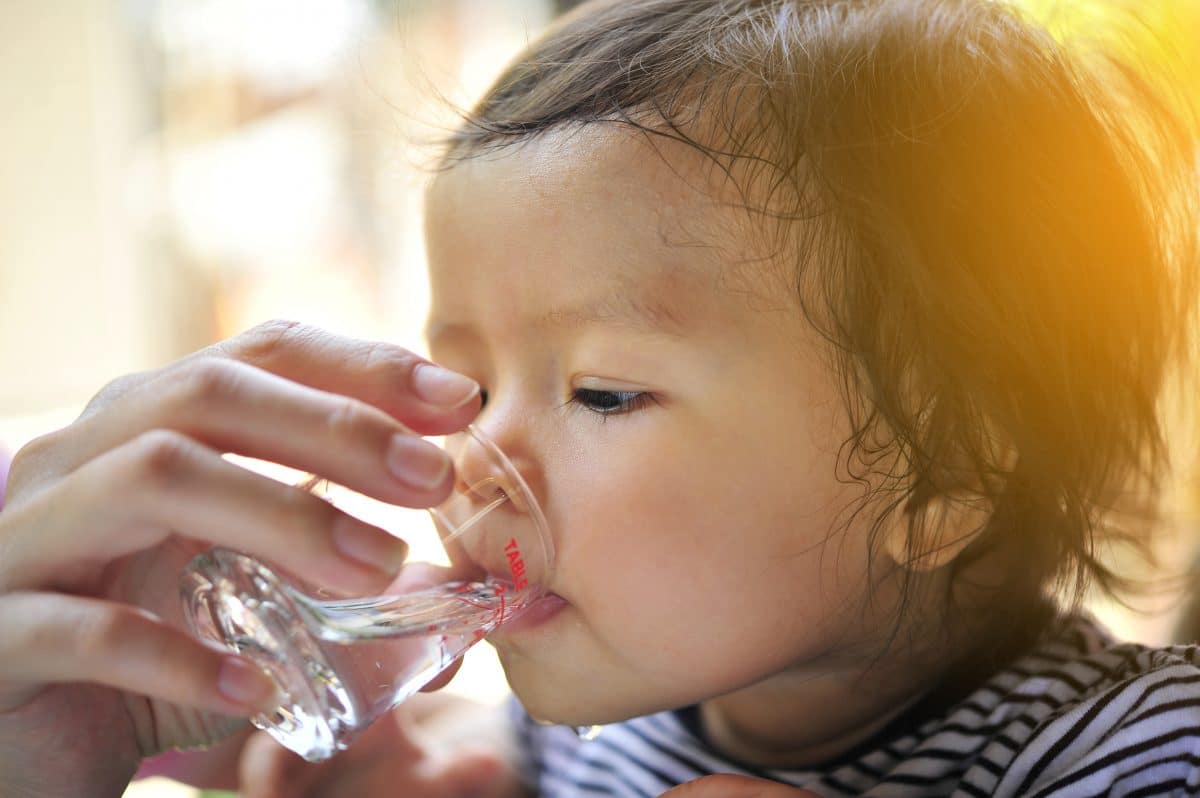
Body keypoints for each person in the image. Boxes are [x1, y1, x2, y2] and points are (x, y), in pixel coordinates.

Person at [2, 0, 1199, 795]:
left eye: (604, 392)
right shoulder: (564, 748)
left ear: (945, 479)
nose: (475, 459)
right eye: (465, 385)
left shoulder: (1135, 757)